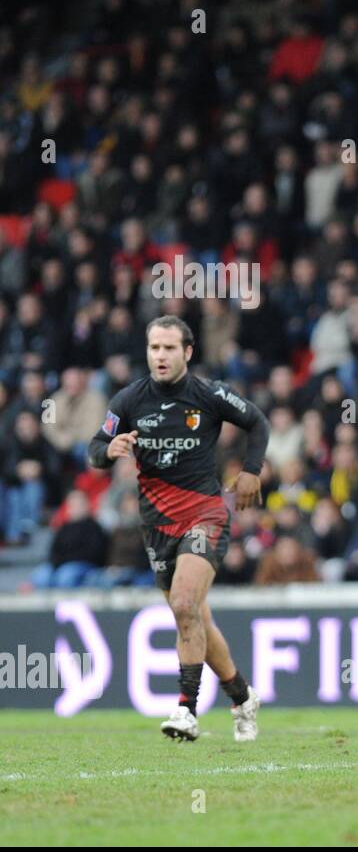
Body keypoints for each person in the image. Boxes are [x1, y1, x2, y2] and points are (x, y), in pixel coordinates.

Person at [87, 315, 269, 742]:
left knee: (186, 603)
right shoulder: (129, 399)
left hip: (205, 514)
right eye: (154, 348)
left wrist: (252, 472)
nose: (161, 356)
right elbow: (95, 447)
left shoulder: (208, 394)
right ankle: (242, 696)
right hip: (157, 526)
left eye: (169, 348)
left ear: (187, 352)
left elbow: (257, 422)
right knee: (194, 615)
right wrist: (108, 450)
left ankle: (186, 710)